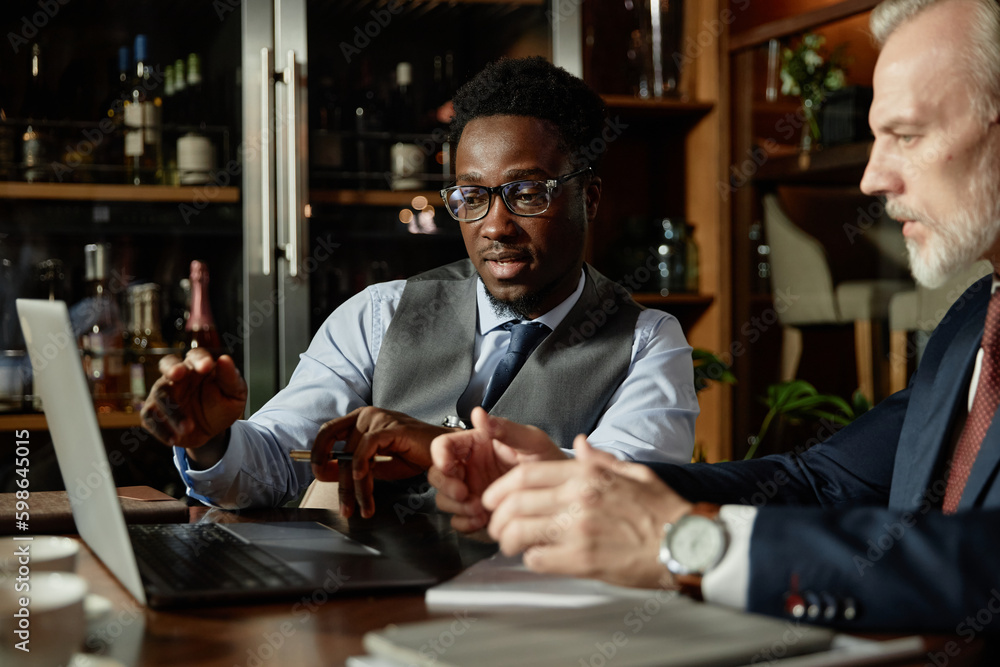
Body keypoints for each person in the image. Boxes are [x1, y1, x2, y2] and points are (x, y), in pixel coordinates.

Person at [430, 0, 1000, 632]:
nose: (871, 177)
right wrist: (575, 482)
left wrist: (698, 545)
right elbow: (816, 482)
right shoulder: (974, 321)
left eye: (908, 134)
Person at [140, 57, 698, 518]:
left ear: (589, 199)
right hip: (364, 611)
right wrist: (212, 439)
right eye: (471, 197)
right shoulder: (379, 314)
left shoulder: (647, 343)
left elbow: (624, 501)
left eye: (528, 193)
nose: (495, 227)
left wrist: (440, 448)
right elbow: (277, 463)